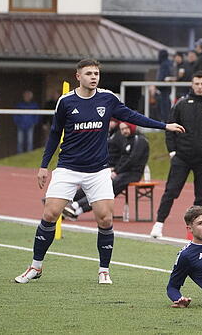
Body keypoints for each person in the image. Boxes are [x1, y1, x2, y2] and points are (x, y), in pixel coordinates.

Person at [14, 58, 184, 285]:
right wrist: (44, 166)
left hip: (98, 171)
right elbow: (54, 134)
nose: (93, 77)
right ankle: (35, 267)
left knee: (104, 219)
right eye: (89, 73)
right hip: (67, 168)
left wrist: (164, 126)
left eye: (96, 73)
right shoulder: (65, 101)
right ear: (78, 76)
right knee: (50, 214)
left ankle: (104, 270)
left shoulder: (108, 98)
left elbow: (132, 116)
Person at [150, 72, 202, 238]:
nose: (200, 87)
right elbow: (170, 128)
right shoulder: (181, 104)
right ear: (192, 85)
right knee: (171, 191)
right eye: (197, 83)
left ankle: (195, 235)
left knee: (201, 197)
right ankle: (158, 224)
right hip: (182, 158)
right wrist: (172, 151)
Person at [63, 122, 150, 220]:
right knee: (96, 183)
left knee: (107, 188)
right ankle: (71, 205)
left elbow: (132, 160)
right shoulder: (127, 140)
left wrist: (116, 171)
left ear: (132, 128)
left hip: (132, 174)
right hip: (123, 172)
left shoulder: (139, 140)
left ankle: (76, 206)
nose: (124, 131)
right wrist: (114, 169)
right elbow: (123, 159)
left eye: (126, 128)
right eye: (122, 129)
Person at [14, 90, 40, 154]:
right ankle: (19, 155)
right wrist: (18, 122)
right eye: (26, 96)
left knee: (29, 141)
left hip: (30, 125)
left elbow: (37, 115)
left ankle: (29, 155)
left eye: (28, 96)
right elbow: (15, 115)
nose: (27, 97)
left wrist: (34, 122)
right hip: (20, 125)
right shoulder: (19, 105)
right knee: (20, 141)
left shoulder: (34, 105)